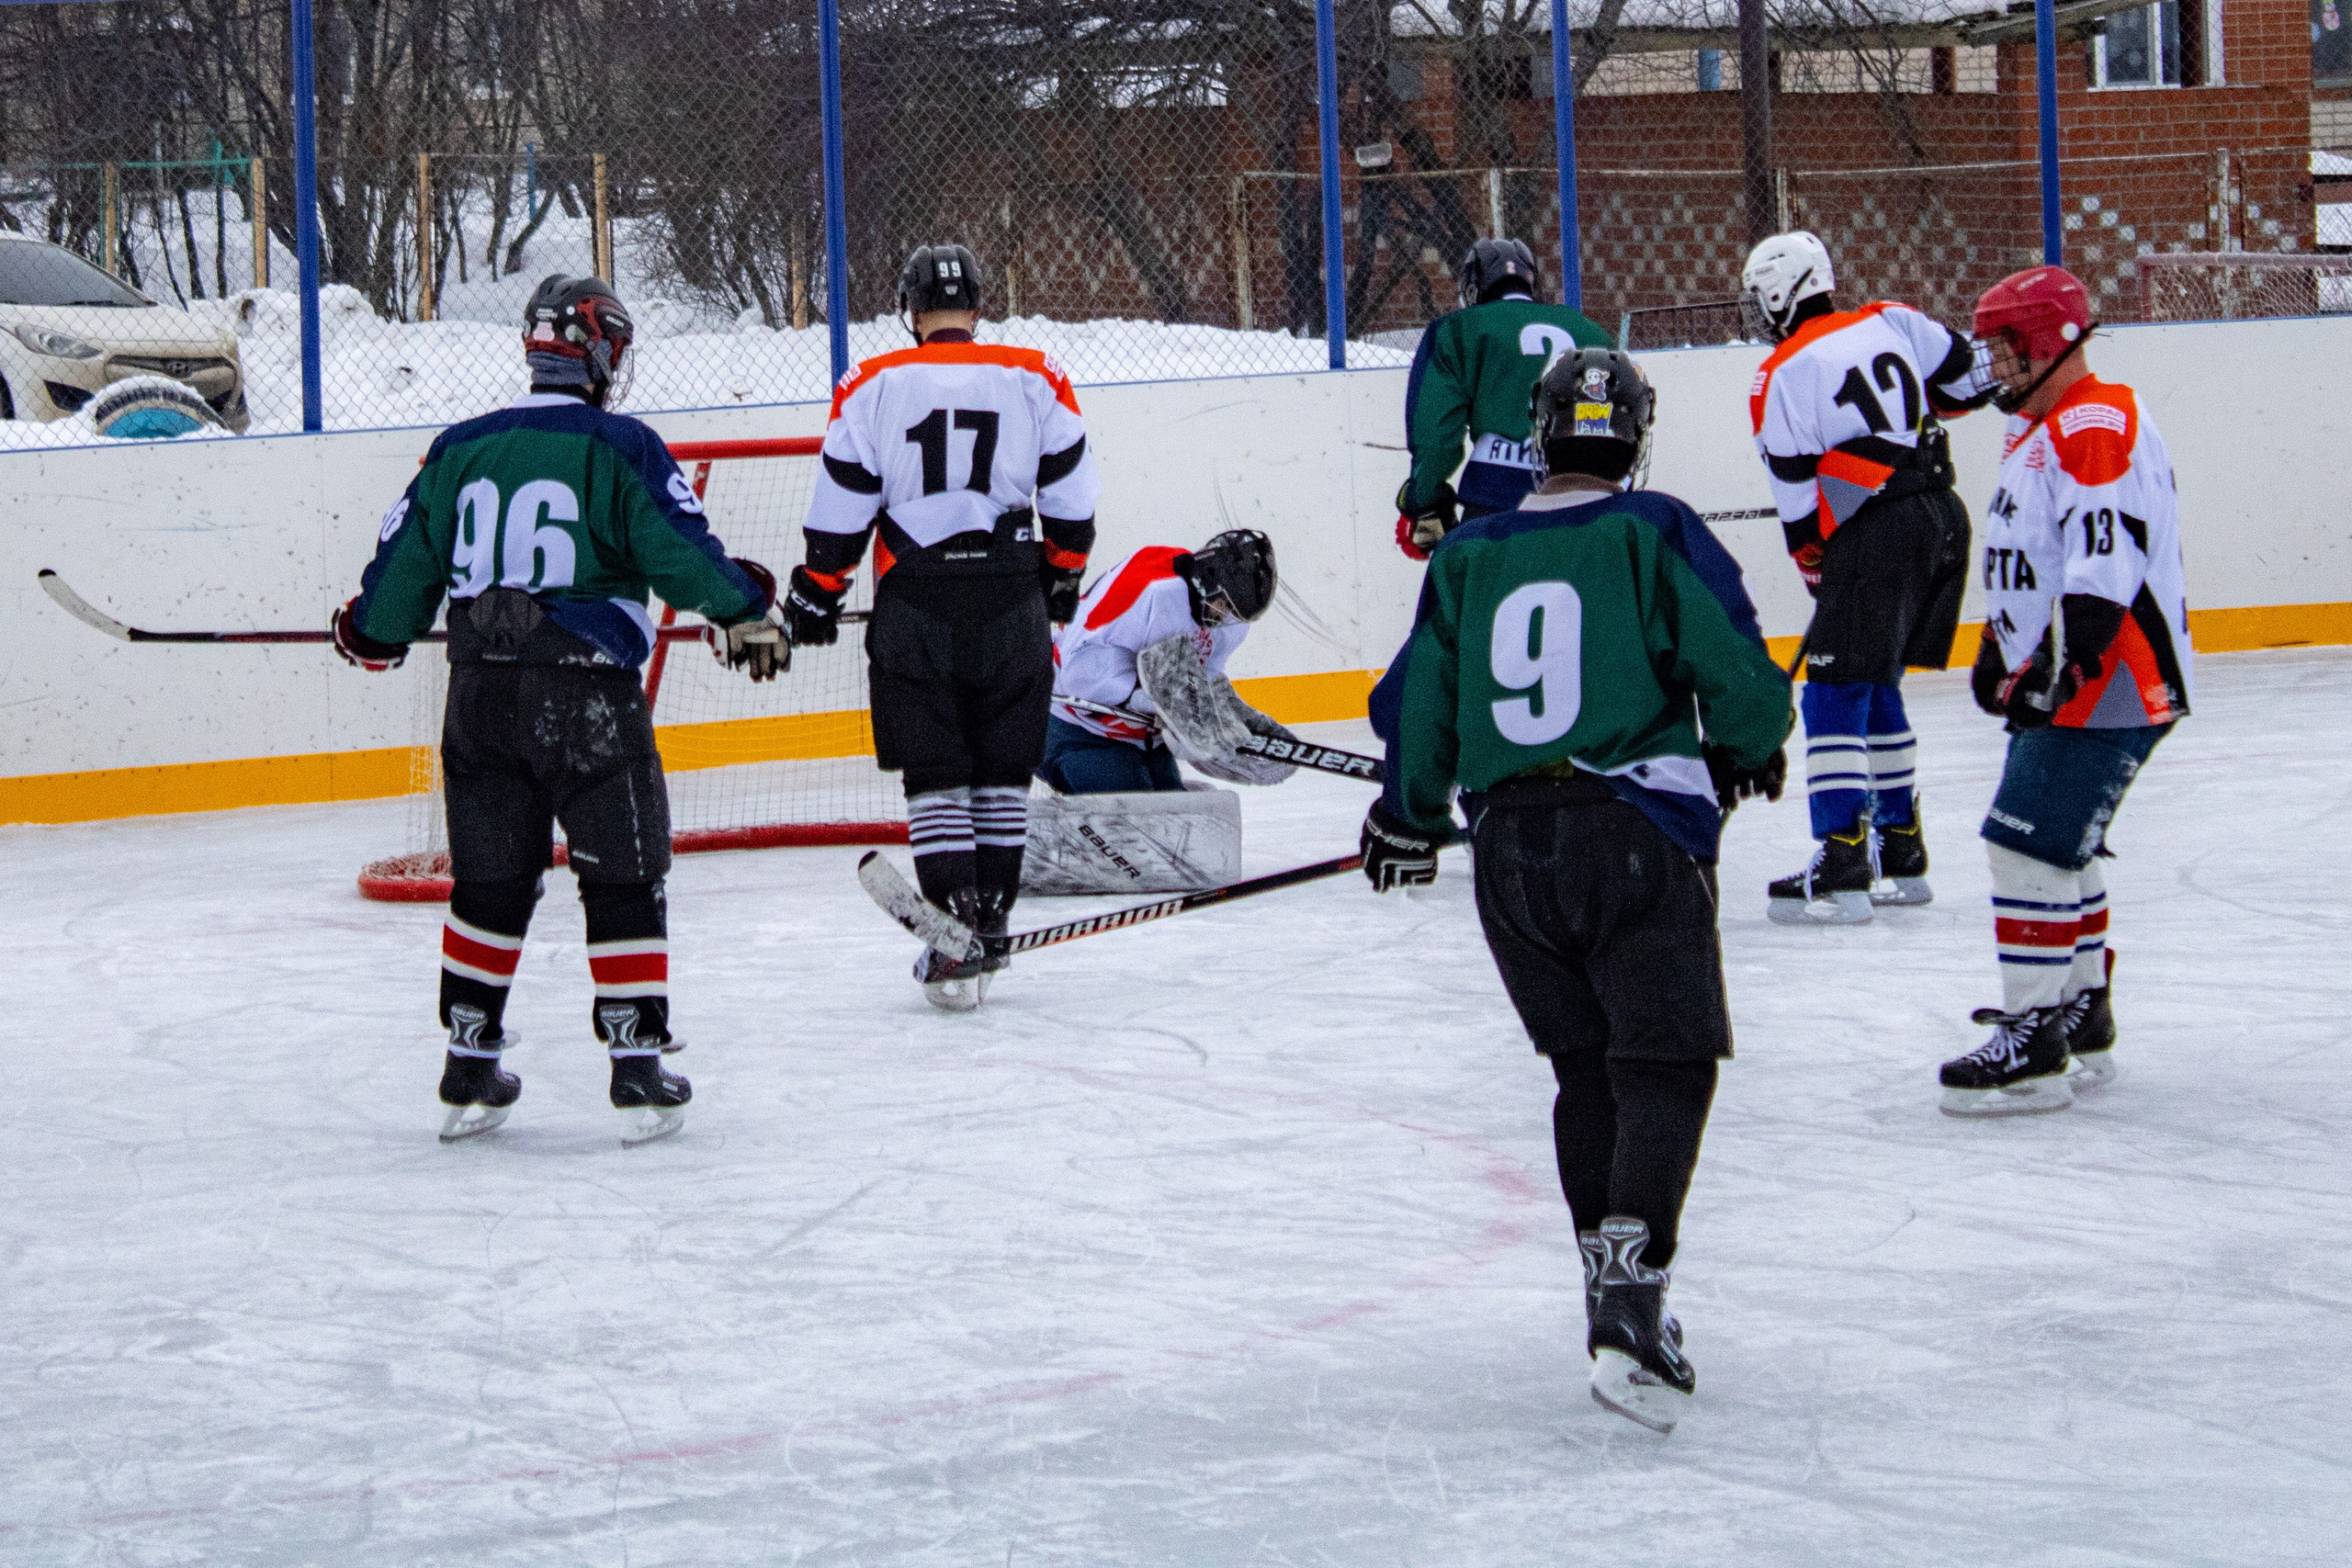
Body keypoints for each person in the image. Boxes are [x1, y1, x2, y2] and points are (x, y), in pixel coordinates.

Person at [1361, 347, 1792, 1434]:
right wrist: (1747, 745)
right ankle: (1631, 1294)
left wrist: (1405, 815)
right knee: (1664, 1064)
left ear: (1539, 432)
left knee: (1584, 1073)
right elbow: (1735, 665)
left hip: (1511, 854)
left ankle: (1612, 1290)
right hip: (1632, 835)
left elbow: (1410, 702)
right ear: (1634, 434)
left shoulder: (1469, 551)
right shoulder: (1654, 527)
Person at [329, 275, 784, 1145]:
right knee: (624, 870)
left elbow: (397, 581)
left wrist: (367, 632)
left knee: (490, 876)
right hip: (587, 695)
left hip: (480, 697)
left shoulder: (459, 447)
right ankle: (637, 1061)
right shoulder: (620, 445)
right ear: (602, 352)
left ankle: (469, 1059)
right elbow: (676, 550)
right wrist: (742, 603)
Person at [789, 243, 1099, 1010]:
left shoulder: (869, 383)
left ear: (911, 311)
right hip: (1011, 596)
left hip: (918, 600)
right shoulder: (1037, 374)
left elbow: (842, 504)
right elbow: (1071, 492)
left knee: (936, 770)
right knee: (1002, 769)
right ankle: (991, 914)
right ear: (978, 306)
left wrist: (818, 592)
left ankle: (953, 912)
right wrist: (1062, 574)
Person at [1939, 265, 2192, 1117]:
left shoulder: (2092, 419)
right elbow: (2032, 554)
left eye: (2004, 347)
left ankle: (2034, 1035)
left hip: (2108, 677)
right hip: (2082, 673)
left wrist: (2066, 662)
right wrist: (1998, 646)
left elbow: (2102, 556)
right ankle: (2081, 1008)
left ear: (2046, 342)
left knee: (2024, 845)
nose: (1992, 364)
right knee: (2057, 844)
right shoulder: (2040, 427)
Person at [1741, 230, 1993, 924]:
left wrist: (1819, 572)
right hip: (1943, 515)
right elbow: (1967, 384)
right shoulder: (1893, 320)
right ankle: (1901, 849)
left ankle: (1843, 859)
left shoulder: (1779, 373)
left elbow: (1800, 509)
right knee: (1874, 683)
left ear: (1780, 293)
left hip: (1879, 533)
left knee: (1830, 691)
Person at [1394, 238, 1611, 559]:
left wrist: (1423, 502)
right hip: (1585, 497)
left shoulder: (1458, 330)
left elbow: (1435, 437)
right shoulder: (1592, 331)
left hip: (1496, 493)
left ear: (1474, 287)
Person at [1038, 529, 1296, 793]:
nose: (1224, 617)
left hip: (1140, 738)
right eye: (1222, 604)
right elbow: (1077, 675)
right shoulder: (1150, 589)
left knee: (1174, 807)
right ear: (1206, 580)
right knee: (1135, 811)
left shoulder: (1230, 617)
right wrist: (1156, 705)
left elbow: (1203, 676)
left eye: (1233, 613)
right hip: (1069, 726)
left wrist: (1225, 719)